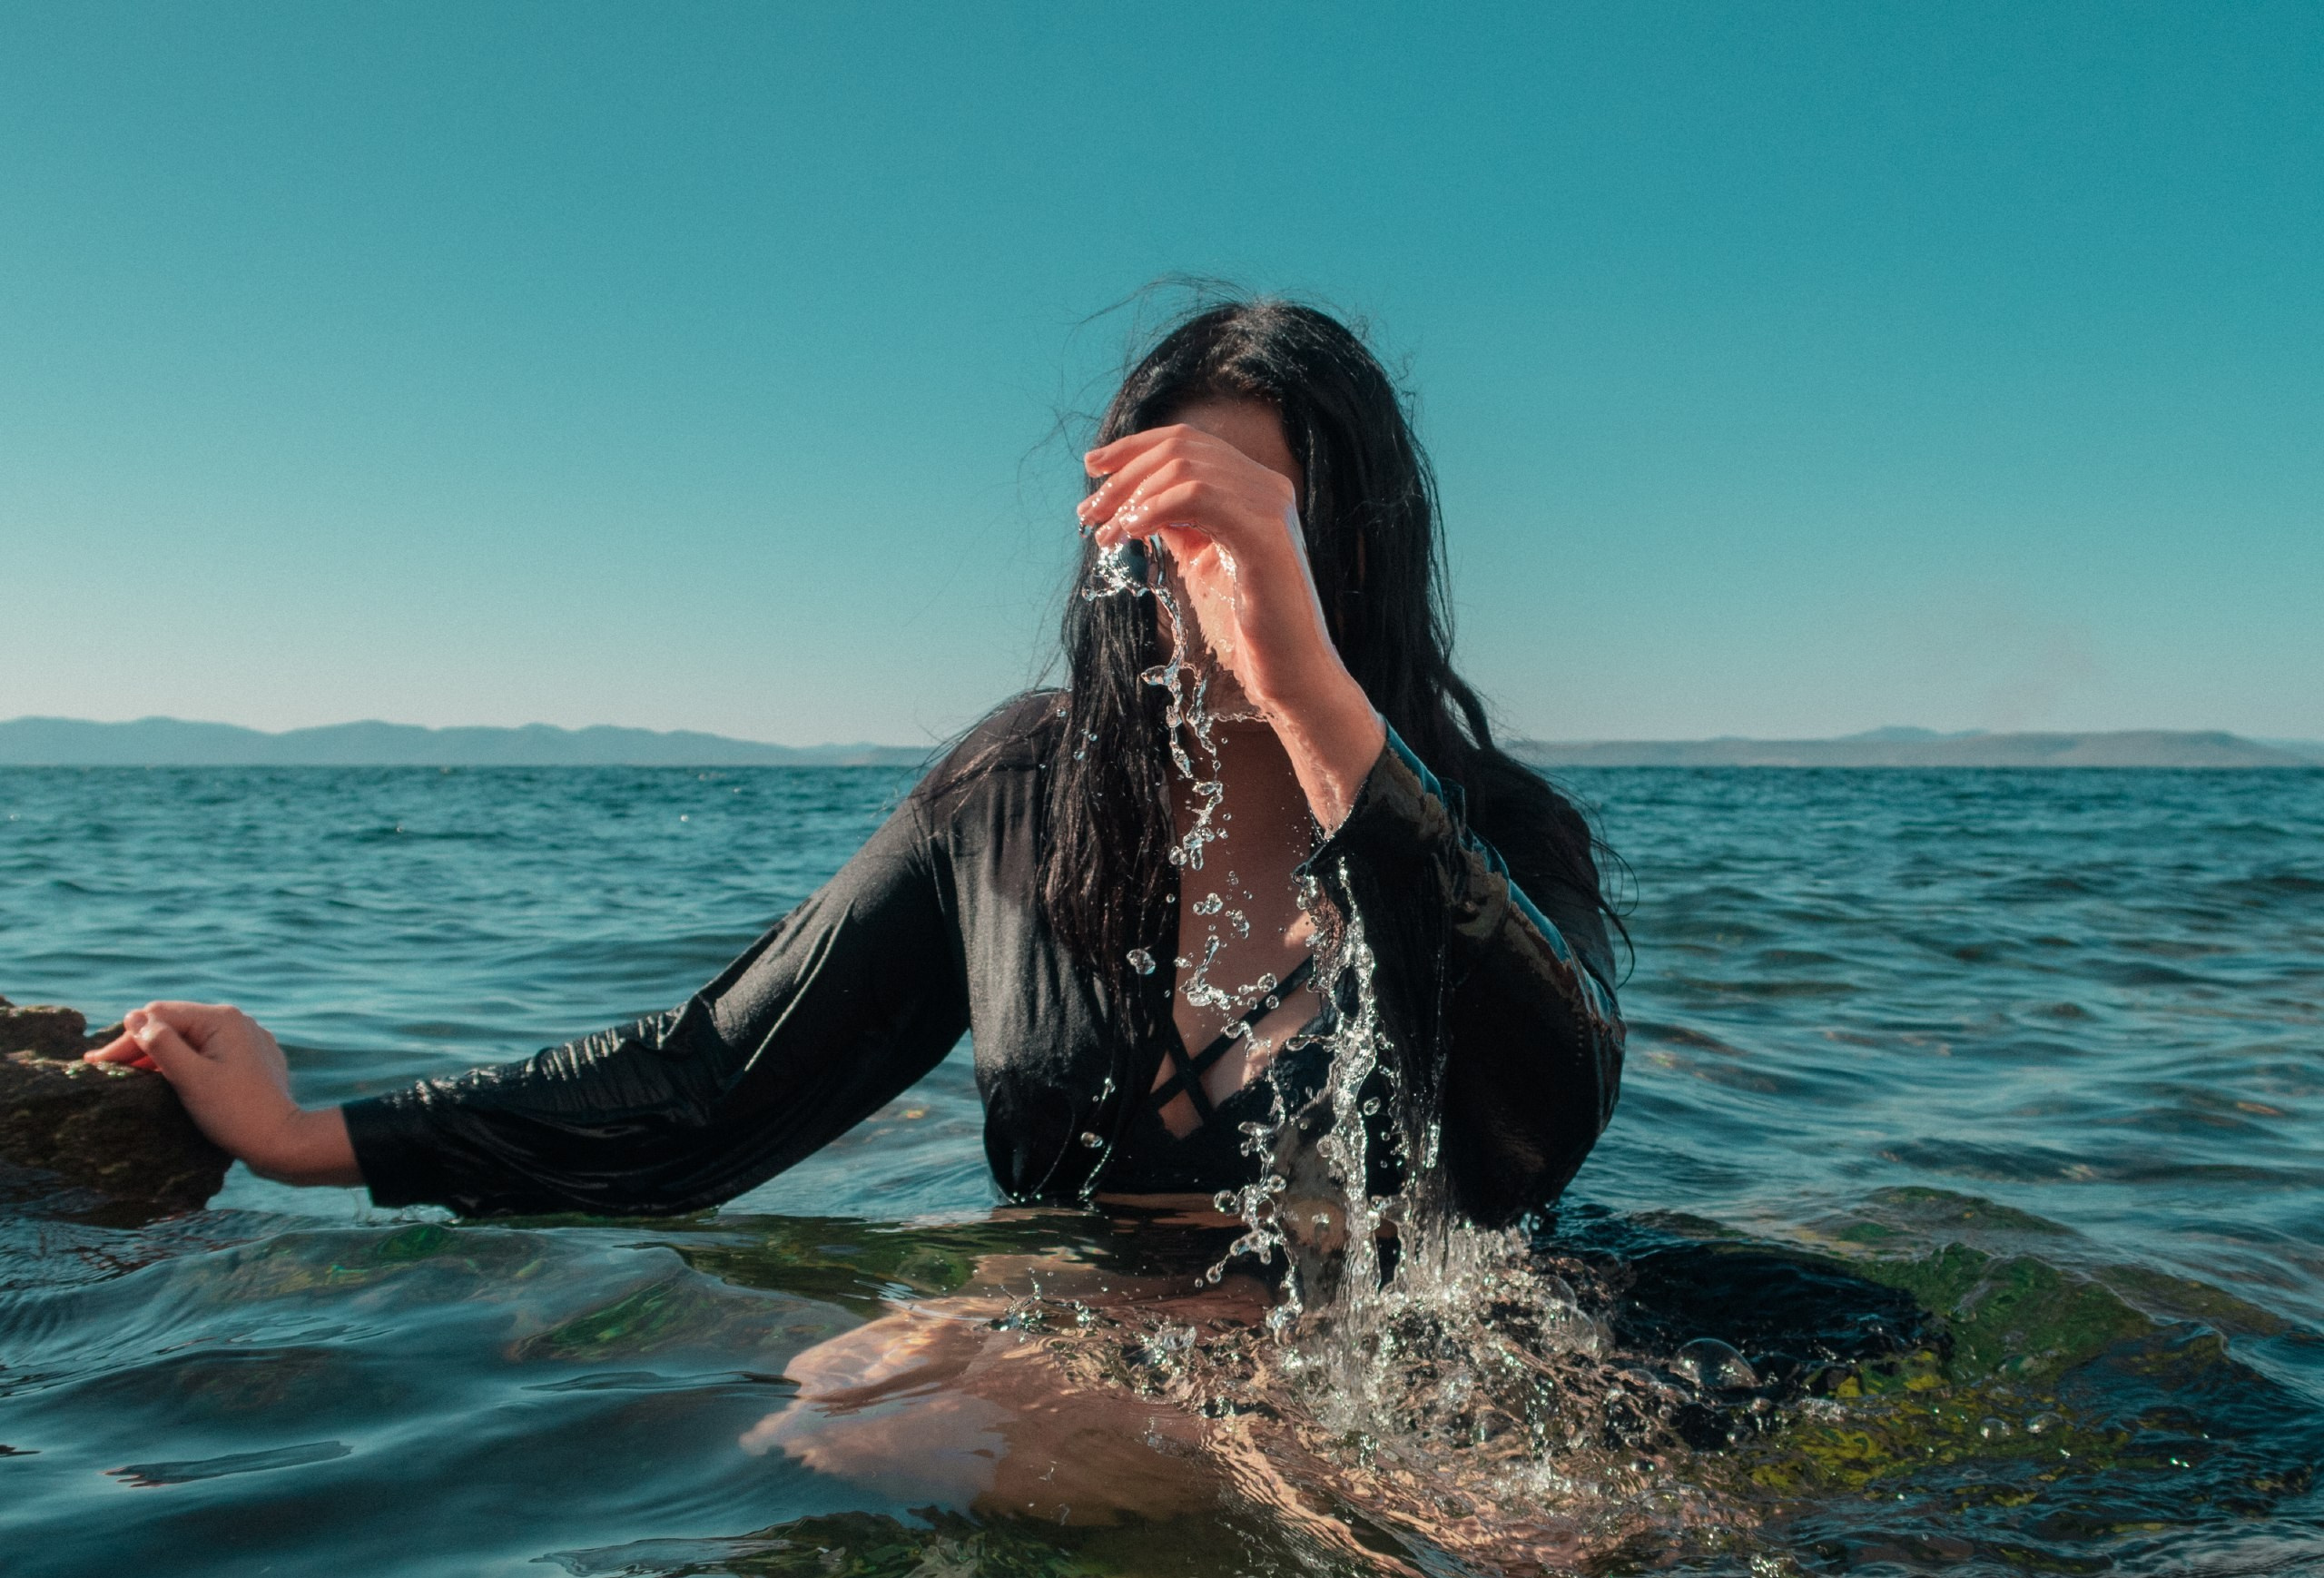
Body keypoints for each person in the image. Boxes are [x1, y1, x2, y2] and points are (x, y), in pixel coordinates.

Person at [89, 301, 1625, 1242]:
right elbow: (710, 1084)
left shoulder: (1496, 833)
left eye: (1255, 527)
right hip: (1115, 1366)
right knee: (818, 1427)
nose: (1206, 575)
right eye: (1171, 526)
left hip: (1419, 1413)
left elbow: (1540, 1130)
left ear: (1354, 548)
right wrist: (303, 1138)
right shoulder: (1018, 803)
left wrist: (1308, 695)